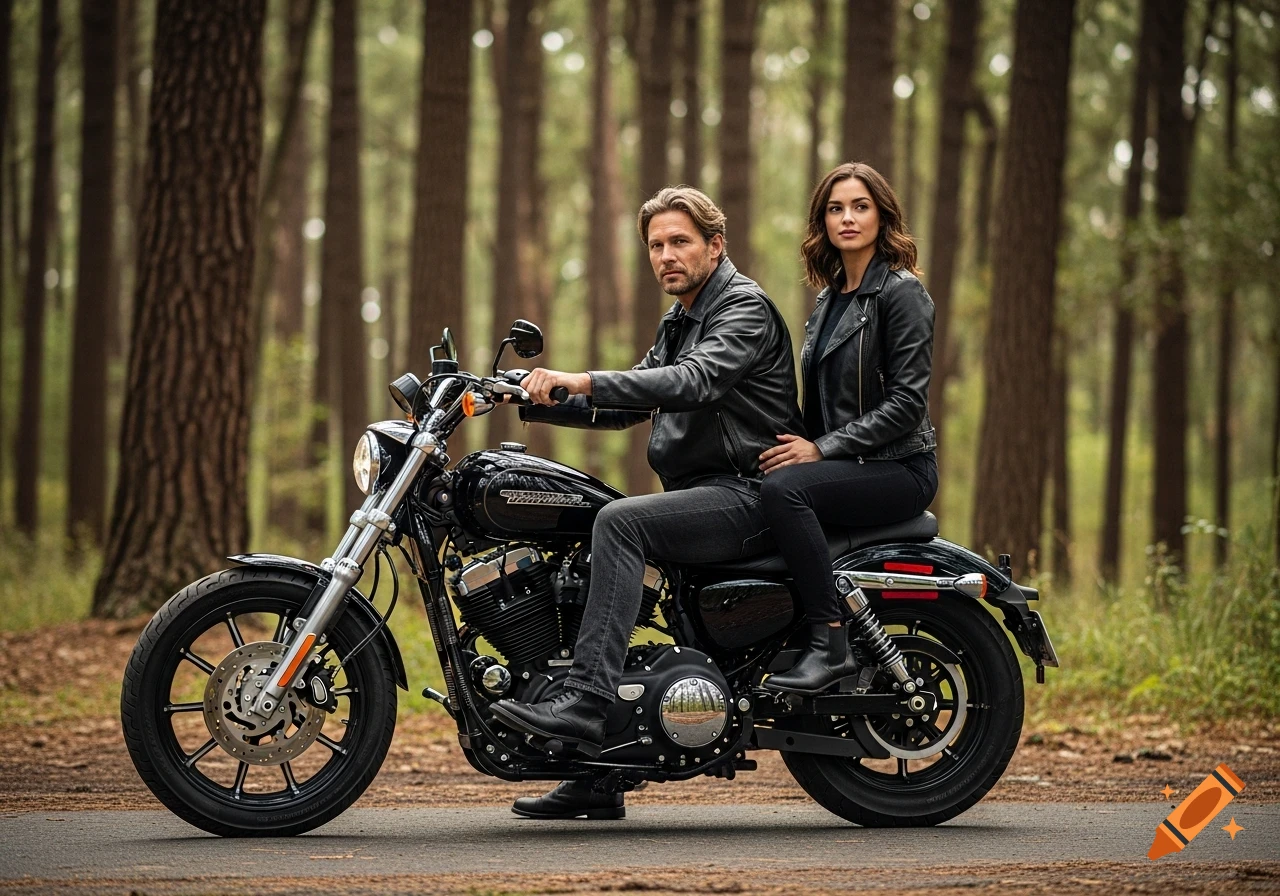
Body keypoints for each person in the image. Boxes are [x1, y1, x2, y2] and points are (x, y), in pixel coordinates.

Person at [490, 185, 804, 819]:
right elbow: (632, 403)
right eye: (657, 245)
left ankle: (583, 702)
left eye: (680, 241)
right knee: (578, 553)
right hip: (701, 495)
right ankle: (596, 776)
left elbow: (695, 381)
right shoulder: (679, 319)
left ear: (716, 246)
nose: (666, 255)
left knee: (619, 522)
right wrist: (533, 397)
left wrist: (578, 376)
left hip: (747, 493)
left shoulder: (743, 308)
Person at [758, 161, 938, 696]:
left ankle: (829, 643)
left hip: (898, 466)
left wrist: (821, 449)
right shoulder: (830, 298)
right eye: (836, 209)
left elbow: (907, 403)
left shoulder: (901, 293)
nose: (848, 218)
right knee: (761, 480)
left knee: (784, 490)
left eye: (860, 206)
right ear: (823, 222)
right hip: (848, 462)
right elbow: (819, 400)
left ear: (883, 217)